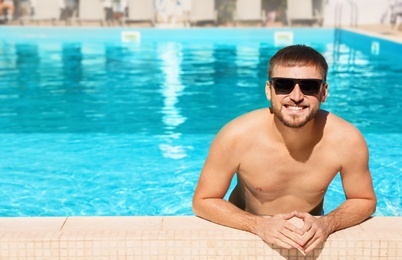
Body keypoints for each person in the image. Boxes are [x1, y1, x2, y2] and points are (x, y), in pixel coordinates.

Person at [192, 44, 376, 255]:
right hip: (247, 228)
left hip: (309, 235)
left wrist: (327, 224)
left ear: (324, 92)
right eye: (283, 85)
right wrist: (258, 225)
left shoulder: (346, 140)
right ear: (269, 90)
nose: (296, 96)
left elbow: (364, 200)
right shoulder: (237, 136)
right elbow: (203, 201)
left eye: (309, 87)